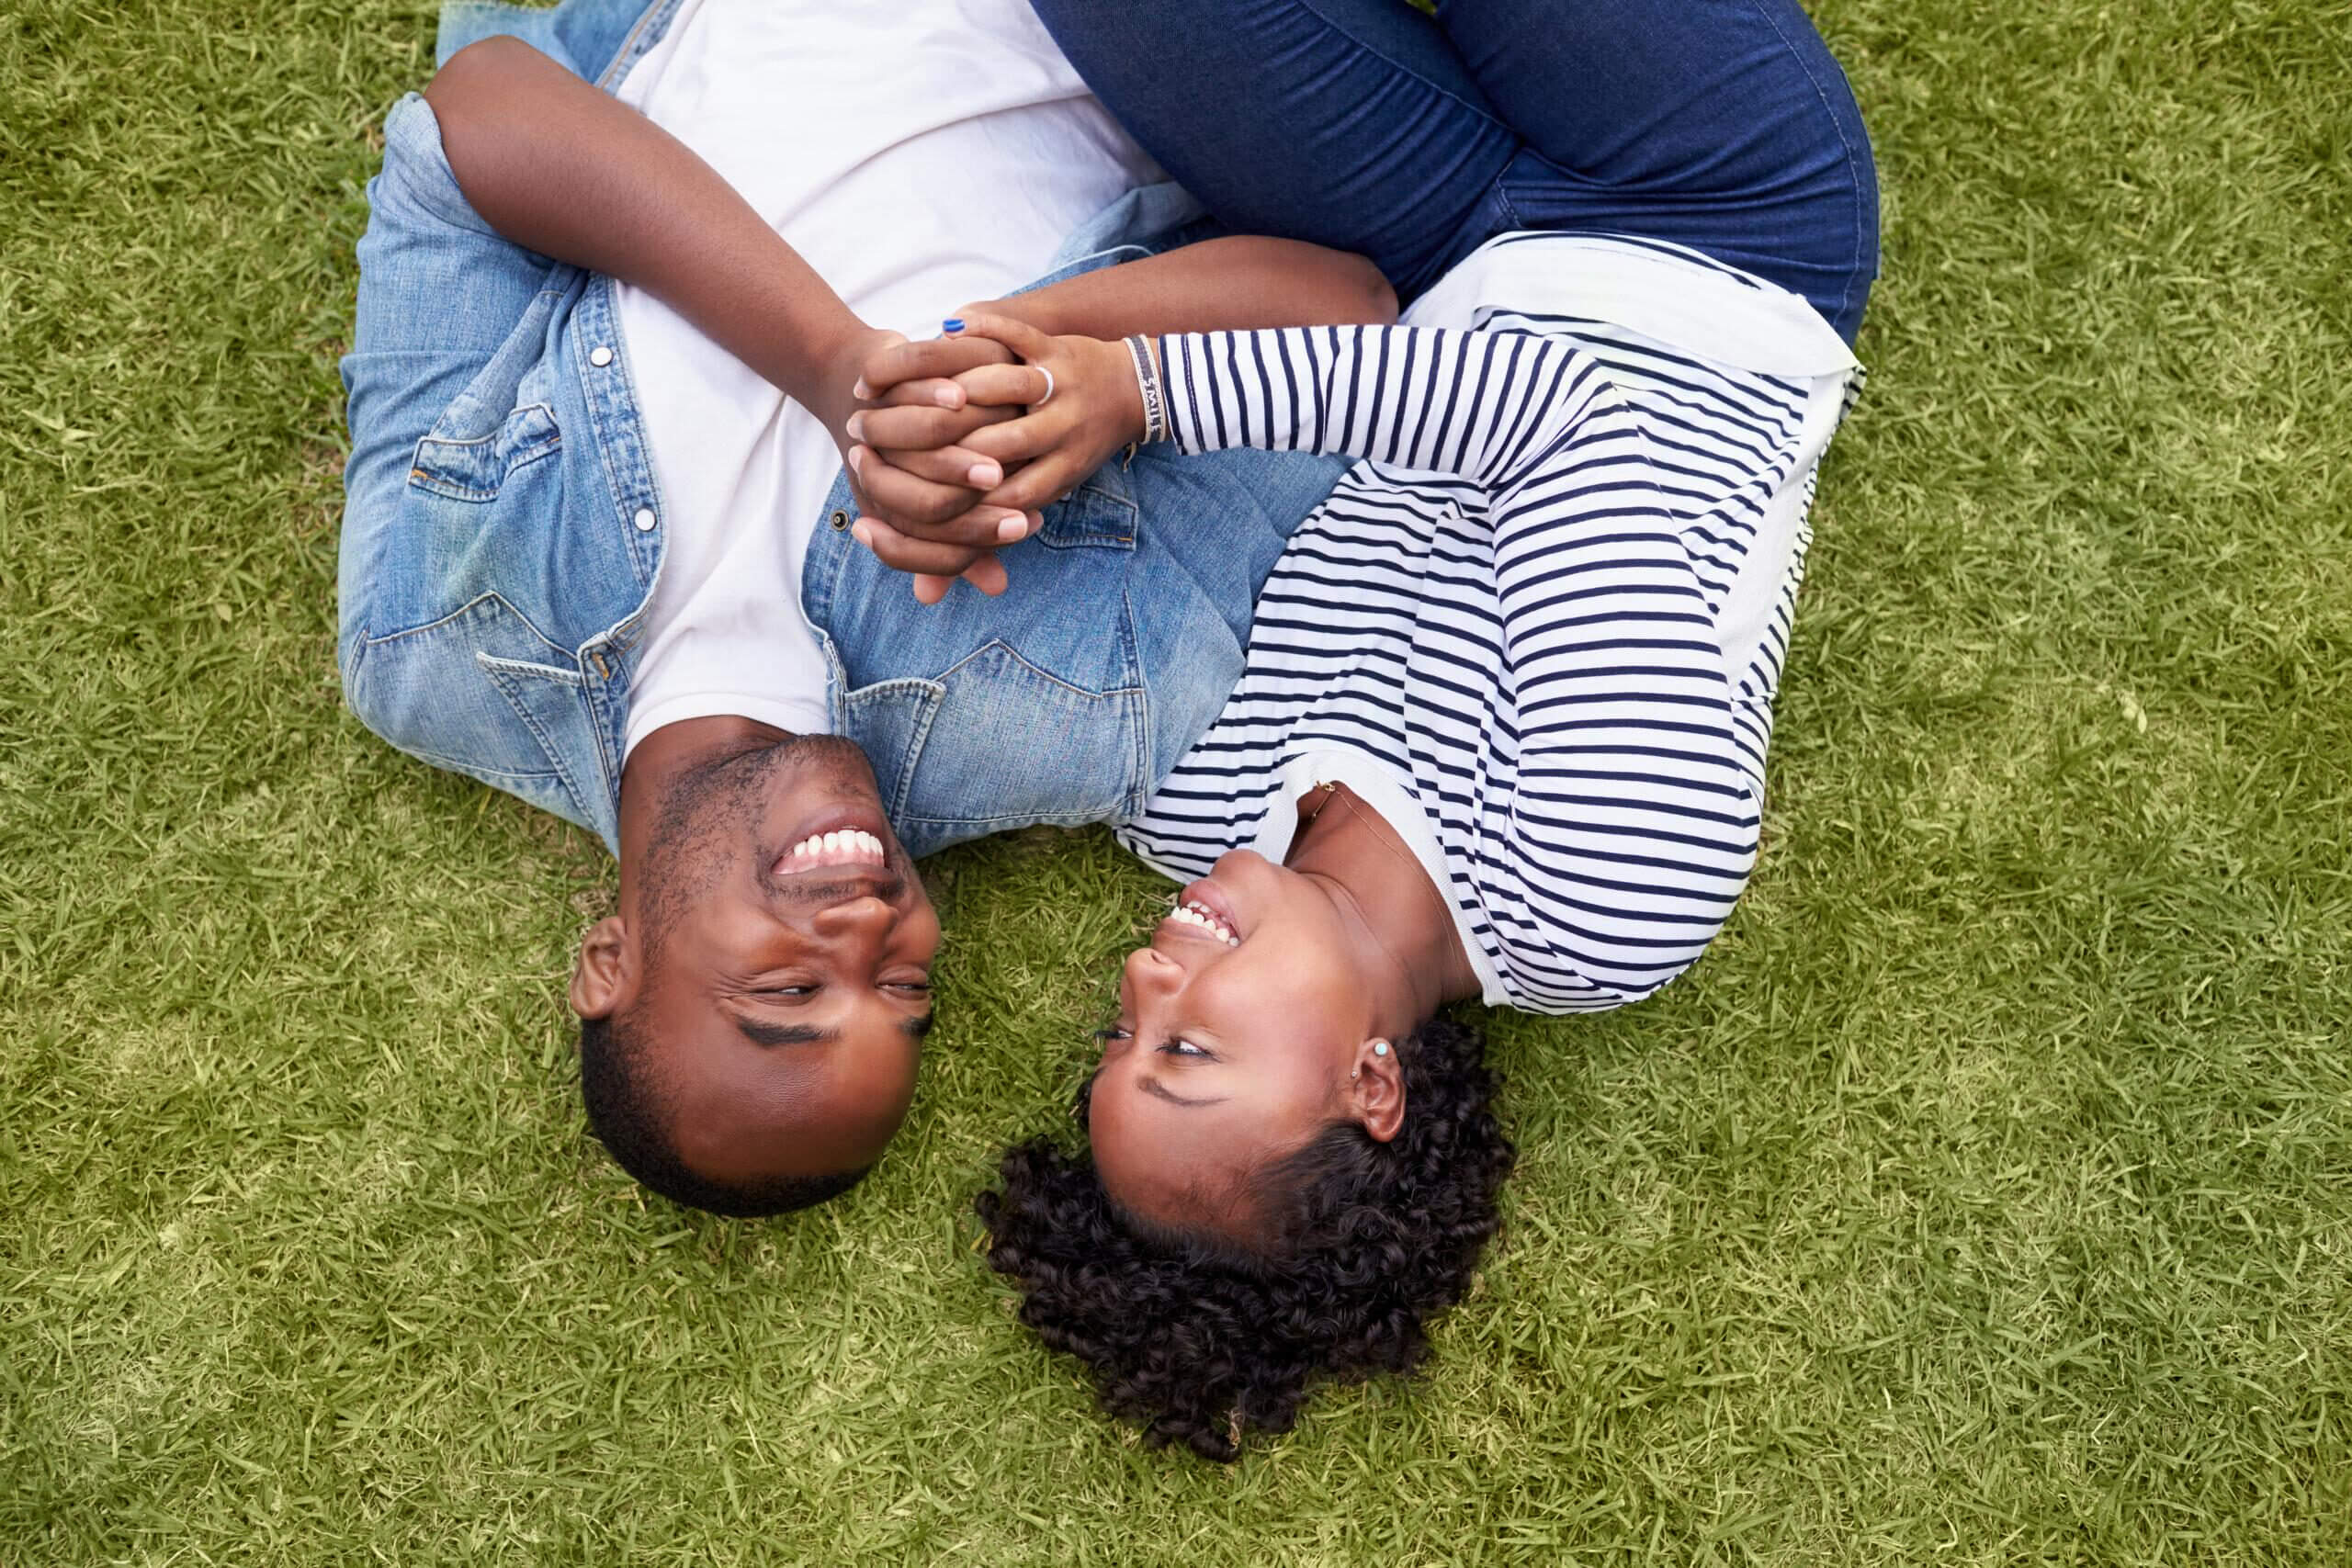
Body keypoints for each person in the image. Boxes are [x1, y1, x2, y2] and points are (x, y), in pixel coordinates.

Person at [848, 0, 1877, 1459]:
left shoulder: (1195, 803)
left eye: (1121, 1029)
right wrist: (1143, 396)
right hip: (1710, 232)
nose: (1147, 973)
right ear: (1369, 1088)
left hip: (1422, 255)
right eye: (1191, 1048)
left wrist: (980, 452)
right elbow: (1565, 414)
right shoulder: (1603, 890)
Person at [336, 0, 1389, 1216]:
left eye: (787, 994)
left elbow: (476, 117)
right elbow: (1348, 314)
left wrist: (841, 370)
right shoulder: (1088, 707)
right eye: (905, 995)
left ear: (610, 961)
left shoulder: (428, 639)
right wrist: (1021, 375)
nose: (873, 933)